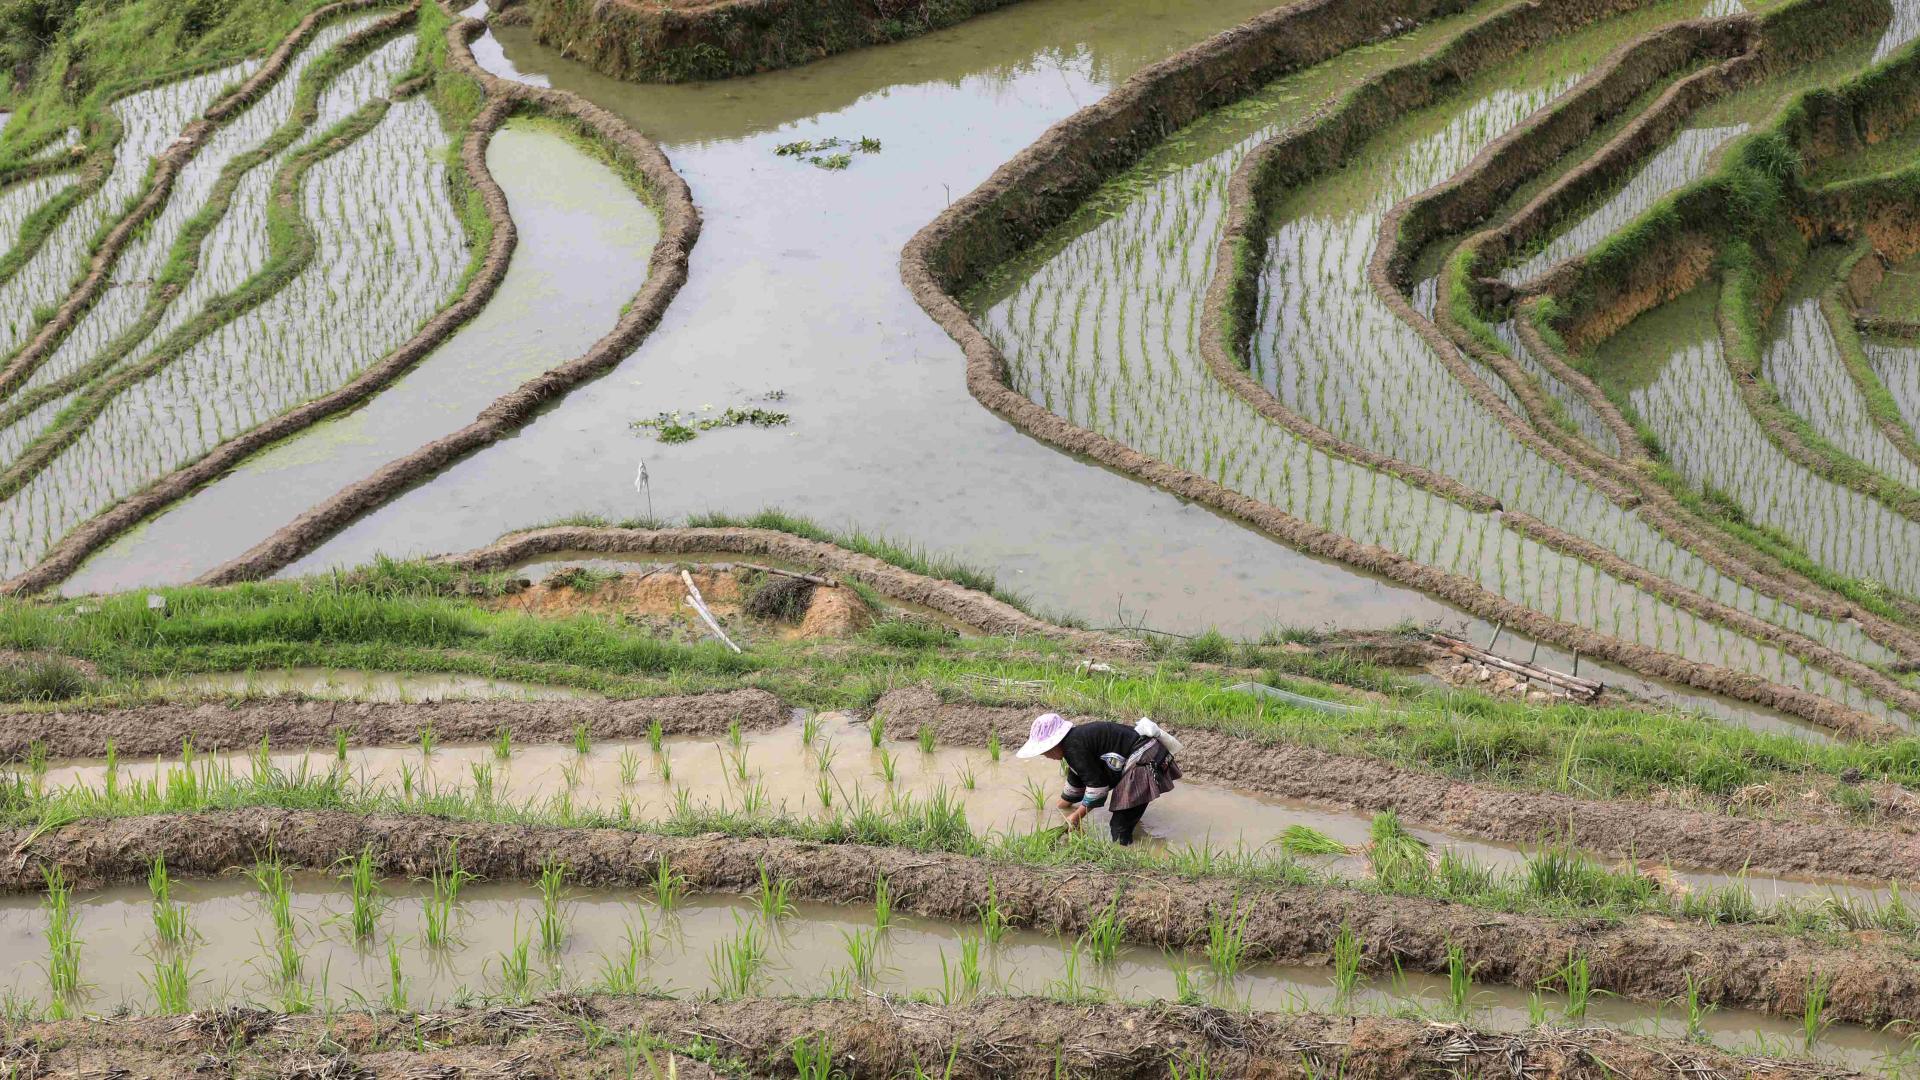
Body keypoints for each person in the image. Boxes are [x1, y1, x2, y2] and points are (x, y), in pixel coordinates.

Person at [1014, 712, 1181, 845]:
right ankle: (1137, 838)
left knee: (1119, 828)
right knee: (1128, 815)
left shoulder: (1074, 747)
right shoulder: (1073, 744)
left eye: (1044, 750)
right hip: (1147, 754)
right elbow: (1077, 780)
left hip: (1144, 760)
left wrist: (1076, 816)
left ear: (1054, 743)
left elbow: (1098, 787)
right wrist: (1058, 809)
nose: (1045, 754)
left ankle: (1128, 855)